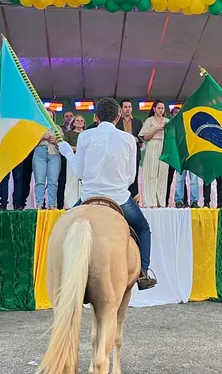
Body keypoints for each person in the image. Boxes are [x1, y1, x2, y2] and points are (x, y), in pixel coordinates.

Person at [59, 97, 157, 290]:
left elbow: (79, 173)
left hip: (89, 198)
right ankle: (143, 273)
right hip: (119, 199)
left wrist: (68, 153)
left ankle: (62, 271)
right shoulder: (129, 139)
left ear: (95, 117)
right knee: (143, 228)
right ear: (118, 116)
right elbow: (130, 178)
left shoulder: (85, 137)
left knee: (64, 227)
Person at [139, 101, 169, 208]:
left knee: (162, 175)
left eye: (162, 108)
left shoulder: (167, 121)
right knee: (151, 174)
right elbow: (145, 137)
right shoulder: (149, 121)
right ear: (154, 109)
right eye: (159, 108)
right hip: (152, 145)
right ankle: (151, 202)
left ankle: (160, 201)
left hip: (164, 147)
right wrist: (156, 128)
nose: (161, 110)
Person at [33, 109, 62, 210]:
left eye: (51, 116)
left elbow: (62, 143)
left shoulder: (57, 128)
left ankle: (52, 204)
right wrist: (41, 137)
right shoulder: (36, 127)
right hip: (39, 153)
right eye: (46, 115)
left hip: (54, 154)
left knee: (53, 181)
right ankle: (39, 205)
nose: (49, 118)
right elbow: (30, 143)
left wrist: (56, 140)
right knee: (39, 180)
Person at [116, 100, 143, 199]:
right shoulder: (117, 122)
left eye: (129, 107)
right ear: (121, 109)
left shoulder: (137, 122)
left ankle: (134, 201)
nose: (128, 109)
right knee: (120, 177)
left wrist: (137, 139)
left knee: (134, 177)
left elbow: (143, 136)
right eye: (125, 107)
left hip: (134, 153)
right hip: (120, 153)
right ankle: (121, 200)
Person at [63, 114, 86, 208]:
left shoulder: (87, 134)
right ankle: (70, 204)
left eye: (81, 120)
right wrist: (78, 149)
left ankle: (83, 201)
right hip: (73, 157)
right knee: (72, 180)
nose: (80, 122)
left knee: (83, 181)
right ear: (73, 123)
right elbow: (66, 146)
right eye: (77, 120)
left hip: (85, 159)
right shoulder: (69, 133)